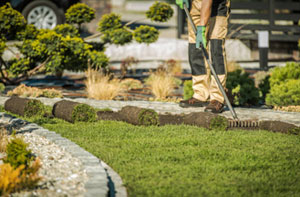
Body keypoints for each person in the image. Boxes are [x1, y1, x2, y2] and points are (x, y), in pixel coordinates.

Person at [176, 0, 230, 113]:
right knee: (196, 49)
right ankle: (201, 94)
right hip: (196, 5)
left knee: (216, 49)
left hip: (217, 6)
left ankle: (217, 98)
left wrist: (201, 27)